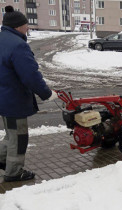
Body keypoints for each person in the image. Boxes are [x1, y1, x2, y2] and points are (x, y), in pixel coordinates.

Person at [0, 6, 57, 182]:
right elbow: (30, 76)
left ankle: (2, 160)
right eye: (26, 25)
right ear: (18, 26)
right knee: (19, 137)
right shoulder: (18, 45)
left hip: (3, 99)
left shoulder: (2, 39)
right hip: (13, 100)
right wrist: (47, 94)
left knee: (10, 134)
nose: (28, 28)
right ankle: (14, 173)